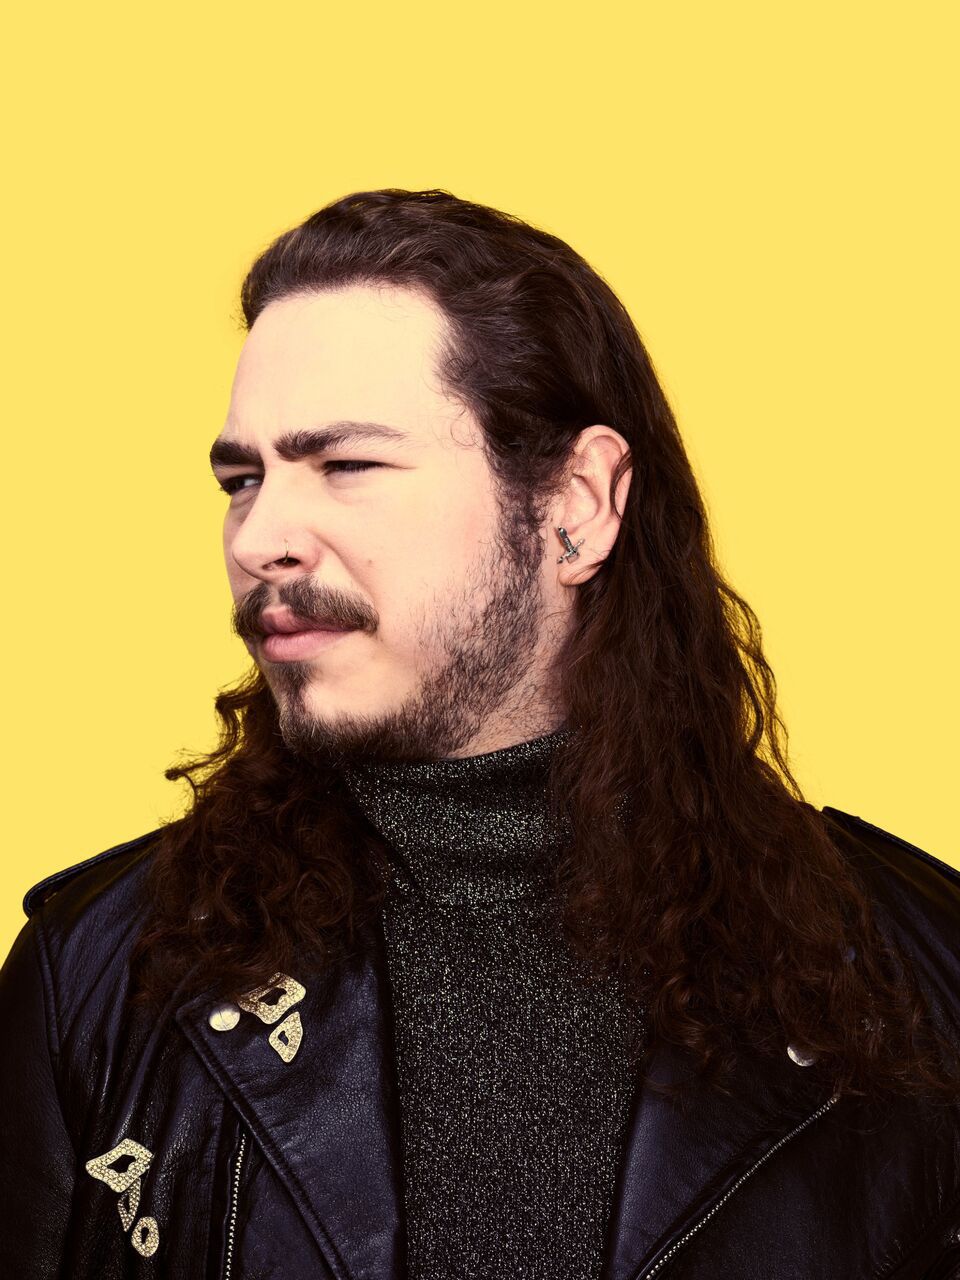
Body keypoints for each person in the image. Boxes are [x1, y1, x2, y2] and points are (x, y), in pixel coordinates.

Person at [1, 188, 958, 1280]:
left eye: (346, 465)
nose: (260, 536)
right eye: (242, 479)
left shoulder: (919, 978)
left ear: (578, 503)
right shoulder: (98, 978)